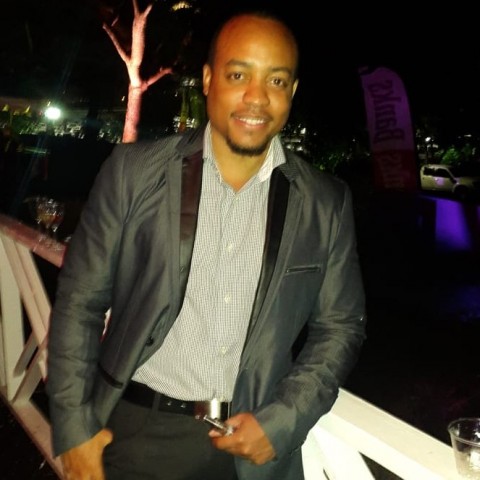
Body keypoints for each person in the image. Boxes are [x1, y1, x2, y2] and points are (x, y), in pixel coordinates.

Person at [46, 10, 367, 480]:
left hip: (254, 447)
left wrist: (284, 420)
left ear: (292, 92)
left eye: (276, 80)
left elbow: (340, 327)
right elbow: (80, 301)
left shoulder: (325, 202)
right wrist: (74, 427)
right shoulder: (133, 173)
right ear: (209, 79)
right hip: (139, 435)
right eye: (238, 75)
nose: (257, 97)